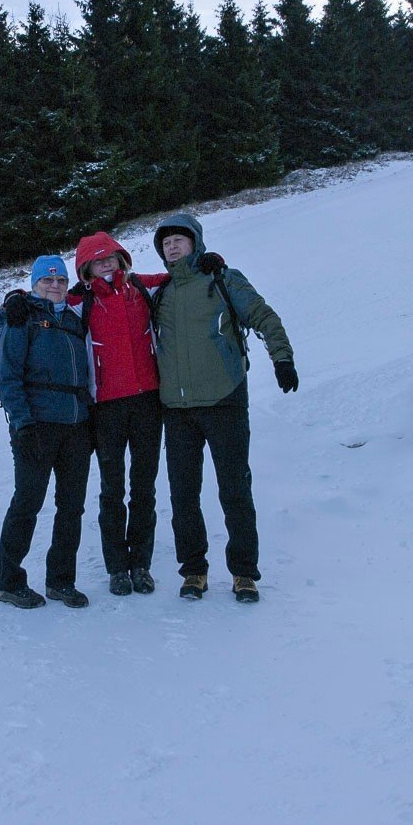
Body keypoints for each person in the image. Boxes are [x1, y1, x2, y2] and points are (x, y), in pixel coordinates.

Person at [150, 212, 297, 603]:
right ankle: (194, 571)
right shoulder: (161, 292)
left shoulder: (222, 279)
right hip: (177, 409)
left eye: (179, 239)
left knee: (234, 491)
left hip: (224, 400)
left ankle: (244, 573)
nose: (172, 246)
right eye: (166, 243)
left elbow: (263, 315)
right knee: (183, 496)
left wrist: (282, 357)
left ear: (195, 242)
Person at [0, 255, 93, 609]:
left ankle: (61, 581)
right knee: (27, 503)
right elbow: (9, 376)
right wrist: (22, 424)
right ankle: (8, 581)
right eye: (47, 280)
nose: (54, 286)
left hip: (77, 427)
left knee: (71, 507)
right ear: (34, 284)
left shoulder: (73, 318)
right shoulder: (23, 317)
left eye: (60, 280)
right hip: (37, 427)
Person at [72, 232, 169, 597]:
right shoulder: (80, 301)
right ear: (87, 267)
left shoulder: (140, 288)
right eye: (99, 260)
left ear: (121, 258)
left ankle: (140, 563)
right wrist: (16, 299)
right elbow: (42, 302)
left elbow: (176, 277)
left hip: (147, 401)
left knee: (144, 487)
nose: (107, 264)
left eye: (111, 257)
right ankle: (117, 567)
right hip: (107, 407)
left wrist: (211, 261)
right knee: (112, 490)